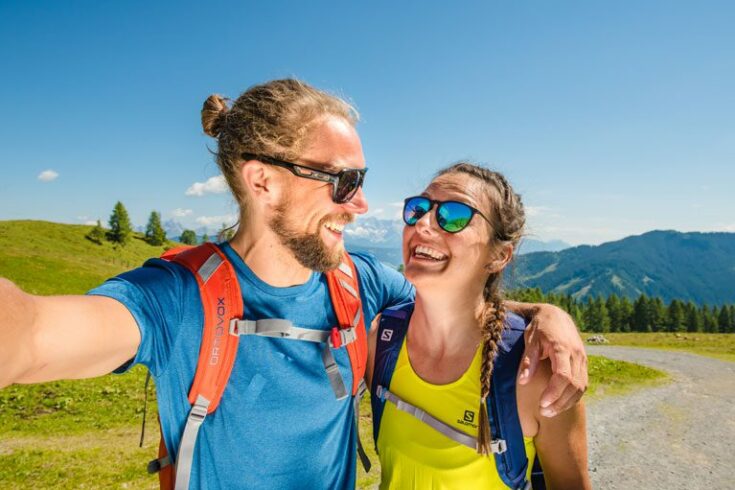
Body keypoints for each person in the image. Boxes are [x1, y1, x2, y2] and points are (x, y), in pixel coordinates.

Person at [0, 79, 587, 489]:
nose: (359, 205)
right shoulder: (175, 298)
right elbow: (31, 333)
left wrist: (548, 318)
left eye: (362, 180)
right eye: (341, 181)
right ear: (262, 182)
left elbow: (461, 297)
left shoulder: (361, 282)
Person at [367, 162, 592, 489]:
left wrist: (554, 315)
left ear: (499, 256)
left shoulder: (534, 373)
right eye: (418, 209)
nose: (424, 224)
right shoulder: (380, 341)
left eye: (454, 215)